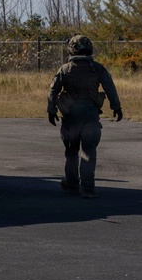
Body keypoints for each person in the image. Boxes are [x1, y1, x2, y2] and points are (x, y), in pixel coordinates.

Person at [47, 34, 123, 198]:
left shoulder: (64, 69)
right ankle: (88, 189)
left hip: (71, 118)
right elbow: (110, 88)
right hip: (90, 116)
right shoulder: (98, 68)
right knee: (88, 152)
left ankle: (72, 183)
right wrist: (116, 106)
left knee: (71, 151)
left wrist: (51, 109)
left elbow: (53, 90)